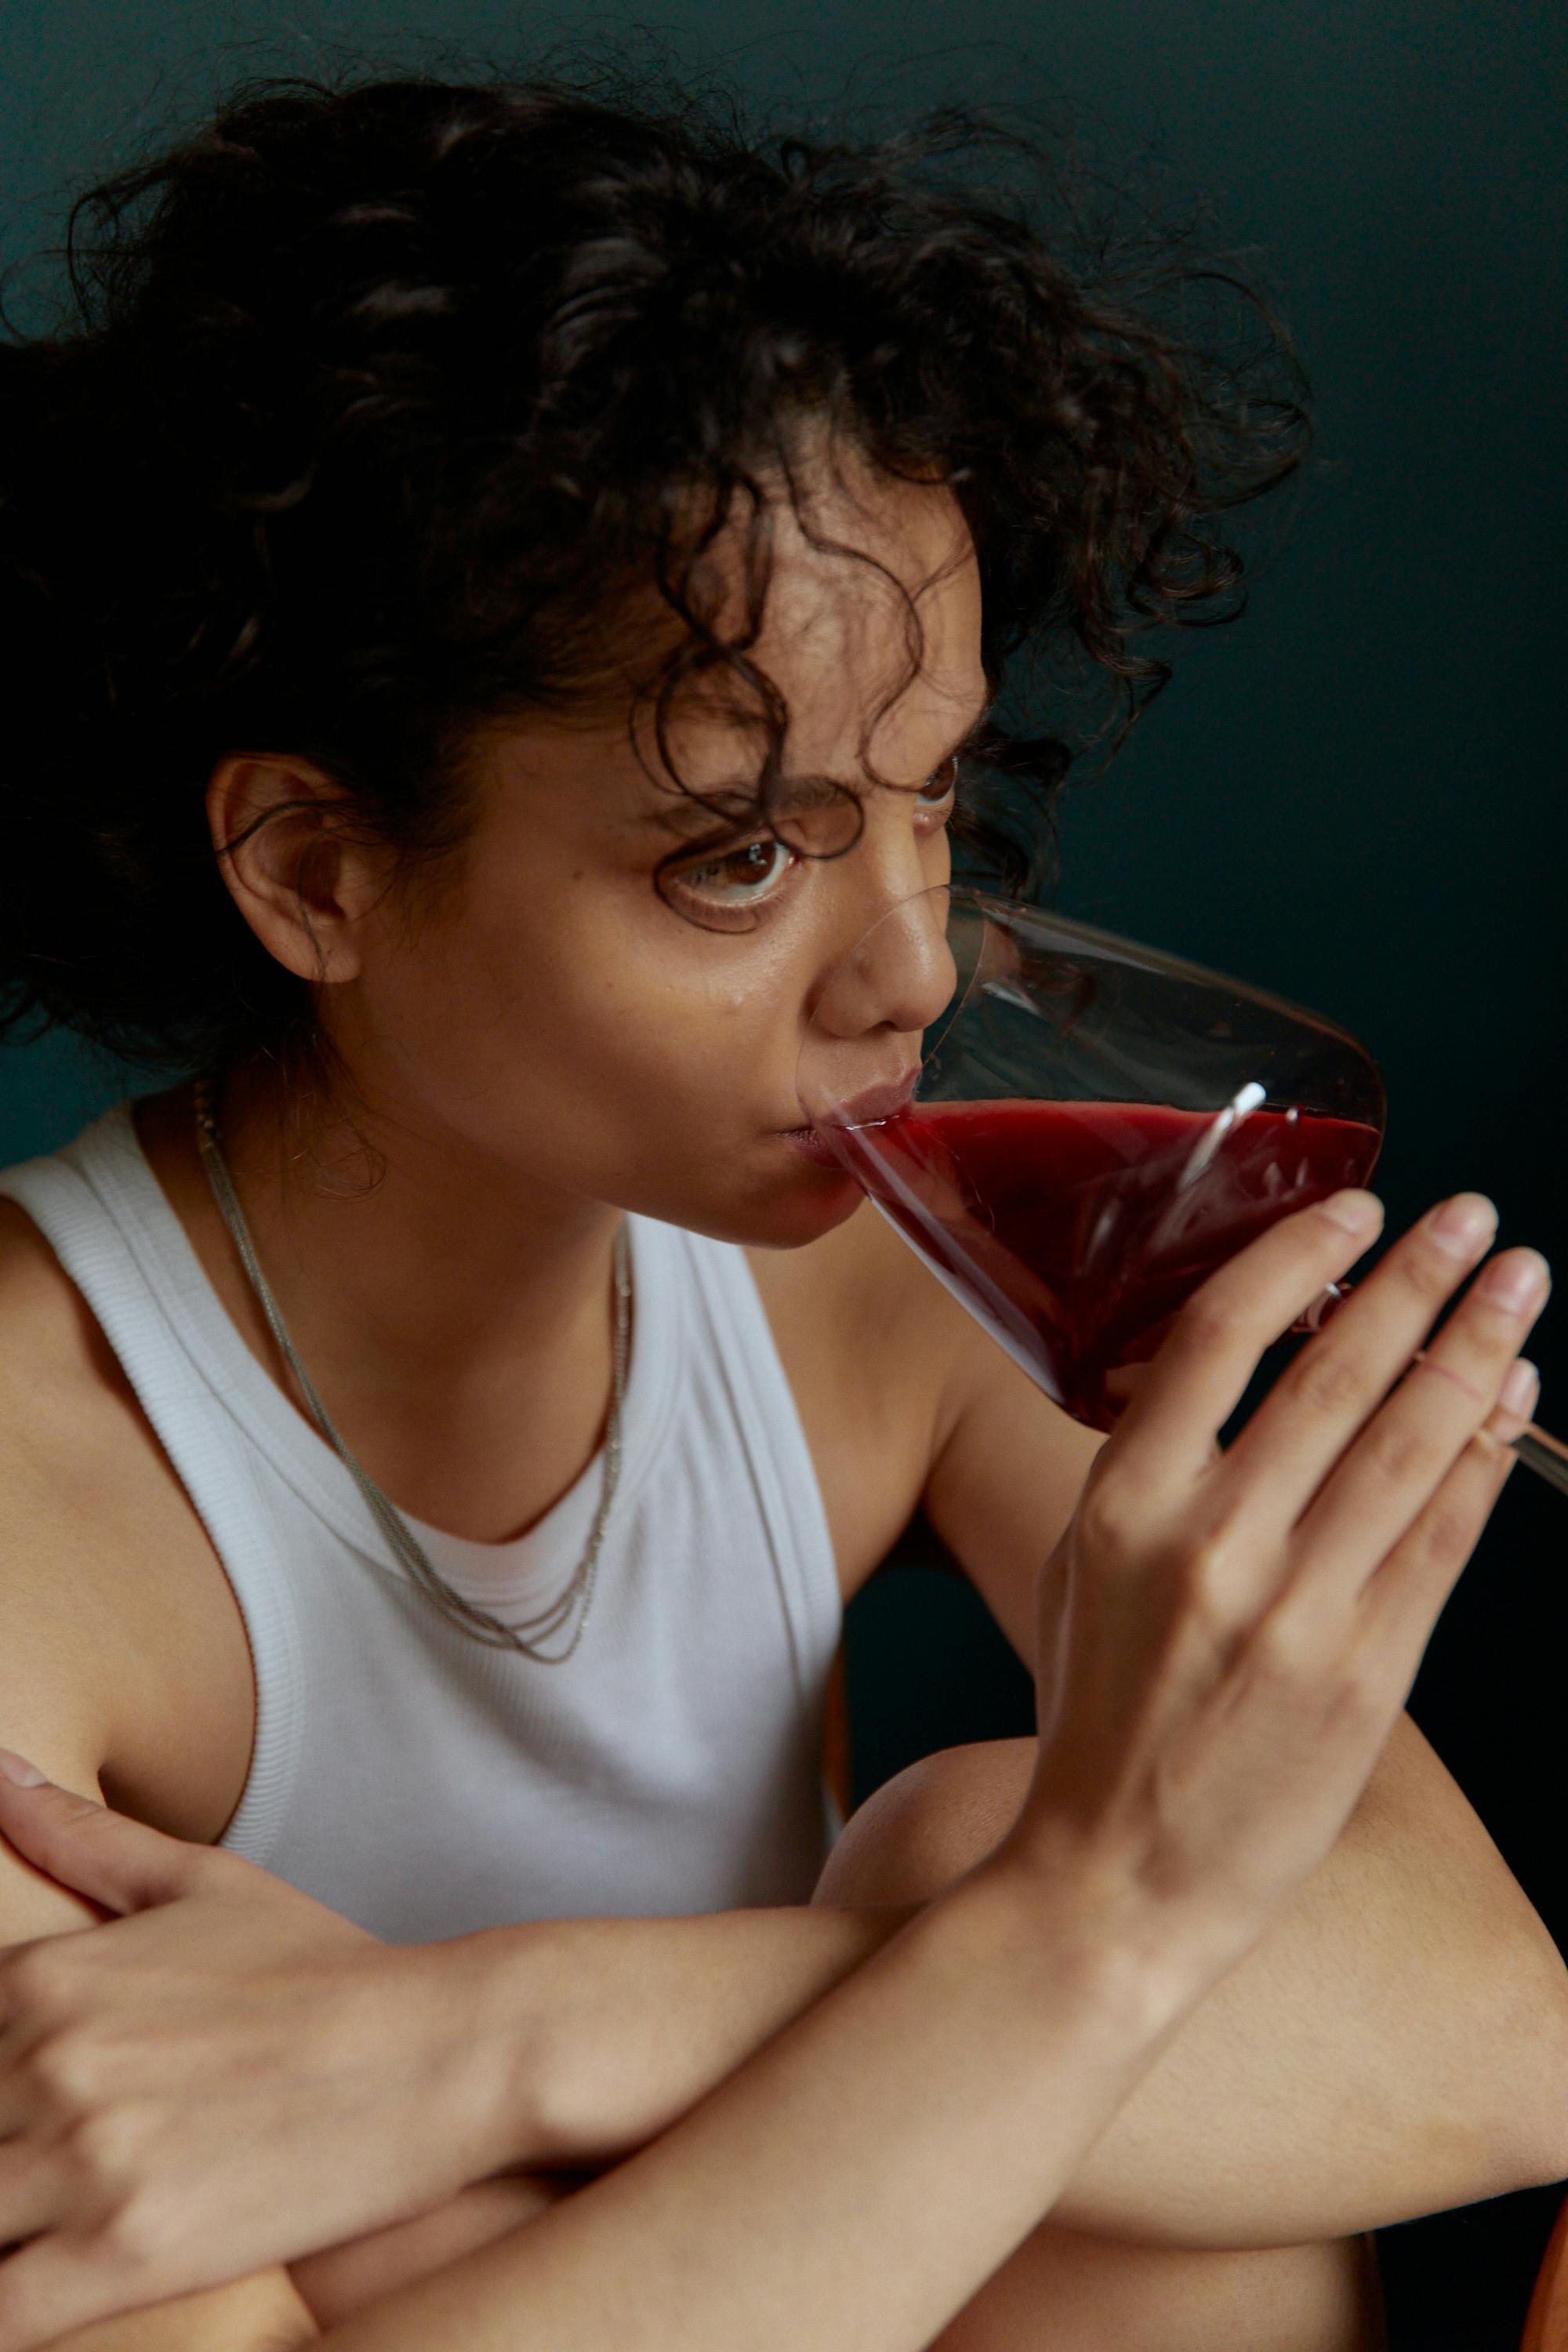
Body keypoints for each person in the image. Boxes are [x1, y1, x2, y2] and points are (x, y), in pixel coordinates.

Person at [0, 64, 1563, 2352]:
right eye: (738, 856)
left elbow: (1500, 2031)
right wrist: (1076, 1946)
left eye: (933, 802)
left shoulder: (878, 1287)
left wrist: (494, 2044)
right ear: (317, 872)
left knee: (1008, 1893)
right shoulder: (40, 1493)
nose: (915, 969)